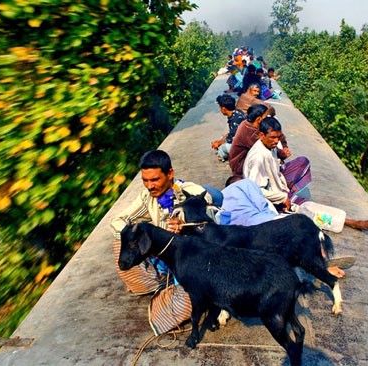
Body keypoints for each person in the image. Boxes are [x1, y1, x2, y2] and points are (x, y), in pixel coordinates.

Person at [111, 150, 214, 335]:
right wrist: (139, 234)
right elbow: (118, 221)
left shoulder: (186, 190)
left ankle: (182, 295)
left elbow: (204, 198)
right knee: (120, 243)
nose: (150, 186)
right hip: (161, 260)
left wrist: (184, 219)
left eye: (155, 180)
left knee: (190, 298)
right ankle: (160, 286)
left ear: (170, 174)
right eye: (145, 180)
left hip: (189, 261)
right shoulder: (147, 197)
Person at [243, 117, 368, 231]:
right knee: (306, 208)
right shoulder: (257, 157)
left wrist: (281, 156)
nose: (276, 141)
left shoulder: (269, 146)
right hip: (268, 198)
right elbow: (254, 191)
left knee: (302, 162)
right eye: (273, 137)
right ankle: (347, 221)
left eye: (278, 137)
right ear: (261, 135)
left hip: (277, 184)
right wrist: (281, 198)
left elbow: (274, 167)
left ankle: (291, 195)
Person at [219, 177, 355, 278]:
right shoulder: (246, 183)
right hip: (265, 224)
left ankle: (316, 262)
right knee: (302, 228)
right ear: (238, 180)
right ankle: (322, 260)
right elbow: (262, 205)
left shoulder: (220, 197)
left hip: (245, 237)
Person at [229, 104, 290, 177]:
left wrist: (285, 146)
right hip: (240, 165)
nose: (267, 118)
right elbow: (268, 147)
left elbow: (280, 135)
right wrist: (282, 154)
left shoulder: (253, 124)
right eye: (265, 117)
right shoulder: (249, 131)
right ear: (259, 119)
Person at [211, 94, 246, 162]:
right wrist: (221, 140)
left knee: (223, 148)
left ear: (223, 109)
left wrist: (219, 143)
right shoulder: (237, 113)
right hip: (240, 139)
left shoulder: (235, 119)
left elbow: (232, 138)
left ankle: (222, 155)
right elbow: (232, 133)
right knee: (223, 137)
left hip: (242, 144)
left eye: (220, 107)